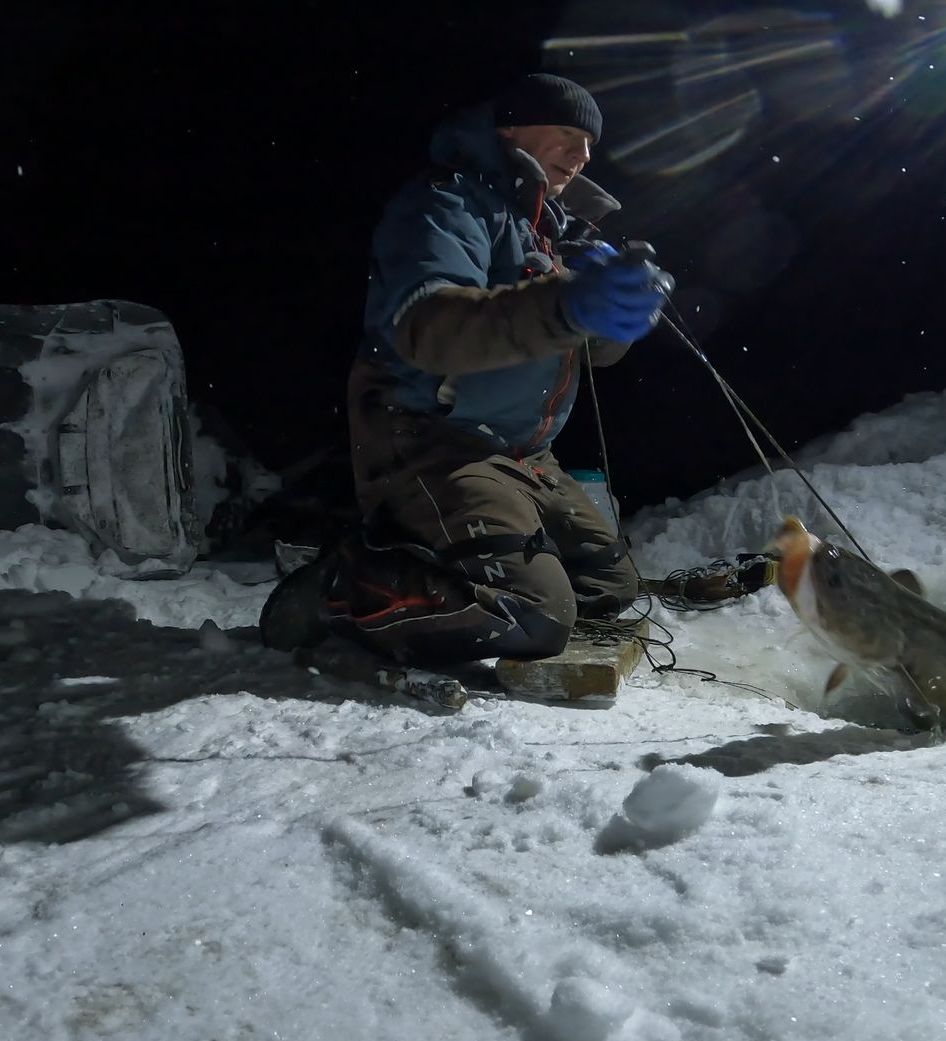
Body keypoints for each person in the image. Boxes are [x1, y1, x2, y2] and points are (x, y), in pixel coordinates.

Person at [260, 73, 672, 666]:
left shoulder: (552, 232)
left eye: (589, 145)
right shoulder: (444, 204)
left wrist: (615, 314)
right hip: (433, 437)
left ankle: (426, 549)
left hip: (526, 455)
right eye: (565, 133)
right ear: (509, 128)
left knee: (608, 591)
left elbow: (595, 355)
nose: (581, 155)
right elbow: (428, 330)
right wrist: (566, 304)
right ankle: (345, 588)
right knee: (533, 616)